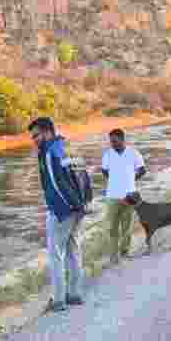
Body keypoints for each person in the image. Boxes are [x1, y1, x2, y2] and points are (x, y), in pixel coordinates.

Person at [28, 117, 87, 312]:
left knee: (56, 255)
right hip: (78, 209)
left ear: (47, 132)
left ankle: (59, 300)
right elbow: (82, 176)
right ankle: (75, 294)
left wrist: (64, 211)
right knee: (73, 251)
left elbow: (56, 185)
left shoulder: (49, 152)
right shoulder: (67, 146)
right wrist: (82, 206)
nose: (34, 140)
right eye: (32, 137)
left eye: (36, 135)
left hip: (62, 211)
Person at [101, 129, 147, 264]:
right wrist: (115, 180)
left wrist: (132, 180)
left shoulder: (134, 153)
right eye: (111, 141)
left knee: (126, 227)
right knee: (111, 227)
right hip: (112, 196)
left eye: (115, 141)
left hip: (130, 196)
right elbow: (104, 171)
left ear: (122, 139)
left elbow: (142, 170)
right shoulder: (107, 154)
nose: (112, 144)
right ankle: (113, 256)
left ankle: (124, 252)